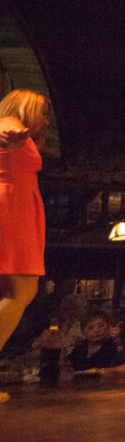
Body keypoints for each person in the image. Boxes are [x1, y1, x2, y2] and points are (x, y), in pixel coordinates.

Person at [0, 89, 51, 356]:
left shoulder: (25, 134)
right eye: (43, 113)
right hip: (12, 208)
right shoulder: (10, 122)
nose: (46, 120)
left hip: (16, 206)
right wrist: (13, 139)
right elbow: (6, 132)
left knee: (18, 290)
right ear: (26, 106)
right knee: (21, 290)